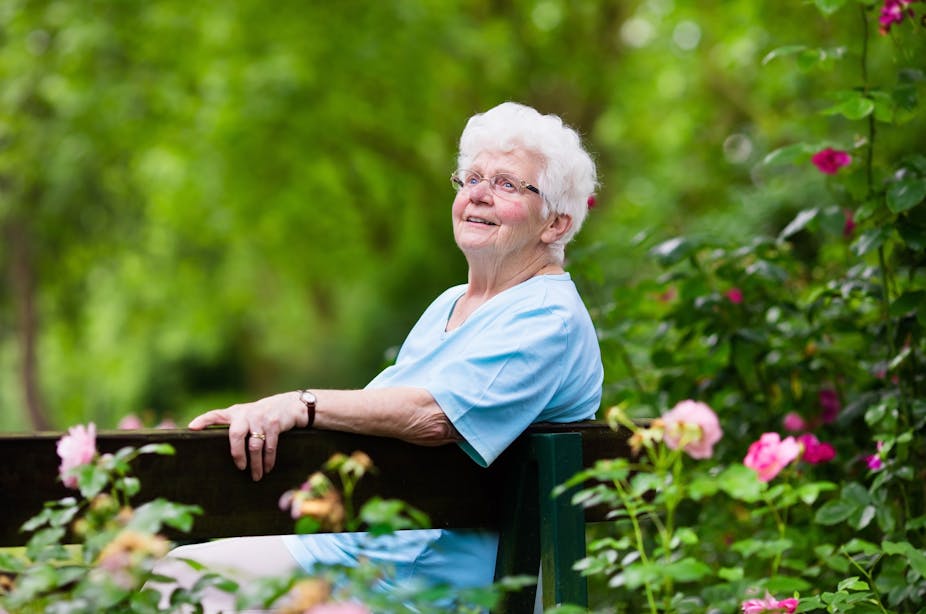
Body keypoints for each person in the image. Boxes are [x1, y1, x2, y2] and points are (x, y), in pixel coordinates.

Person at [156, 101, 603, 611]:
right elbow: (382, 406)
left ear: (555, 223)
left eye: (506, 184)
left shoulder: (547, 318)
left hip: (421, 589)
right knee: (175, 574)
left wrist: (298, 405)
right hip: (355, 553)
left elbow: (433, 415)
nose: (478, 194)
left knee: (180, 584)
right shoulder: (452, 304)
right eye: (472, 177)